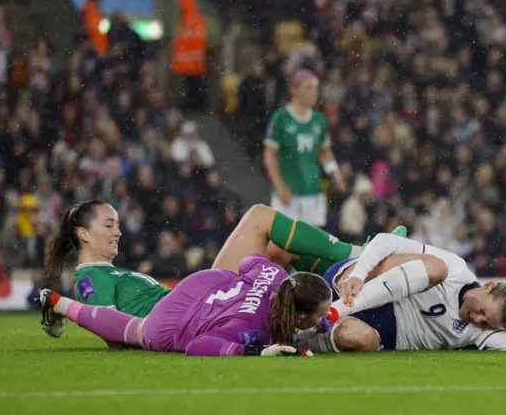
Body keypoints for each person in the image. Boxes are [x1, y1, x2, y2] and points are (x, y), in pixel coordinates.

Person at [40, 200, 397, 337]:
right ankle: (362, 254)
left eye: (117, 223)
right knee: (260, 218)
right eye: (108, 225)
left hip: (201, 303)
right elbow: (106, 323)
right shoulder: (90, 278)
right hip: (194, 312)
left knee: (279, 251)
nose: (118, 231)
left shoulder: (109, 272)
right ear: (83, 233)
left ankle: (352, 277)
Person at [37, 256, 331, 357]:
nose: (322, 321)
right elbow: (198, 346)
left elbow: (247, 262)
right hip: (174, 322)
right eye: (318, 316)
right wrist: (250, 351)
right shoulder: (251, 329)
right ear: (301, 314)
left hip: (203, 284)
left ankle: (56, 302)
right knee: (139, 332)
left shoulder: (278, 275)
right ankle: (61, 304)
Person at [295, 234, 506, 353]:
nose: (478, 320)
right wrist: (359, 274)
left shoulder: (479, 335)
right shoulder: (456, 270)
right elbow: (385, 241)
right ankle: (335, 306)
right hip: (352, 284)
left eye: (486, 323)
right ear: (488, 287)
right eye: (483, 312)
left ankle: (294, 341)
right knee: (436, 267)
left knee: (357, 339)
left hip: (375, 331)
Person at [264, 69, 346, 228]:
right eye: (308, 87)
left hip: (313, 190)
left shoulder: (319, 120)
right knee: (284, 245)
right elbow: (269, 156)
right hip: (289, 191)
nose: (314, 92)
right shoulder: (281, 118)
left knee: (314, 245)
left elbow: (324, 152)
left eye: (316, 87)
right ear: (294, 90)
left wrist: (335, 173)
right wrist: (279, 186)